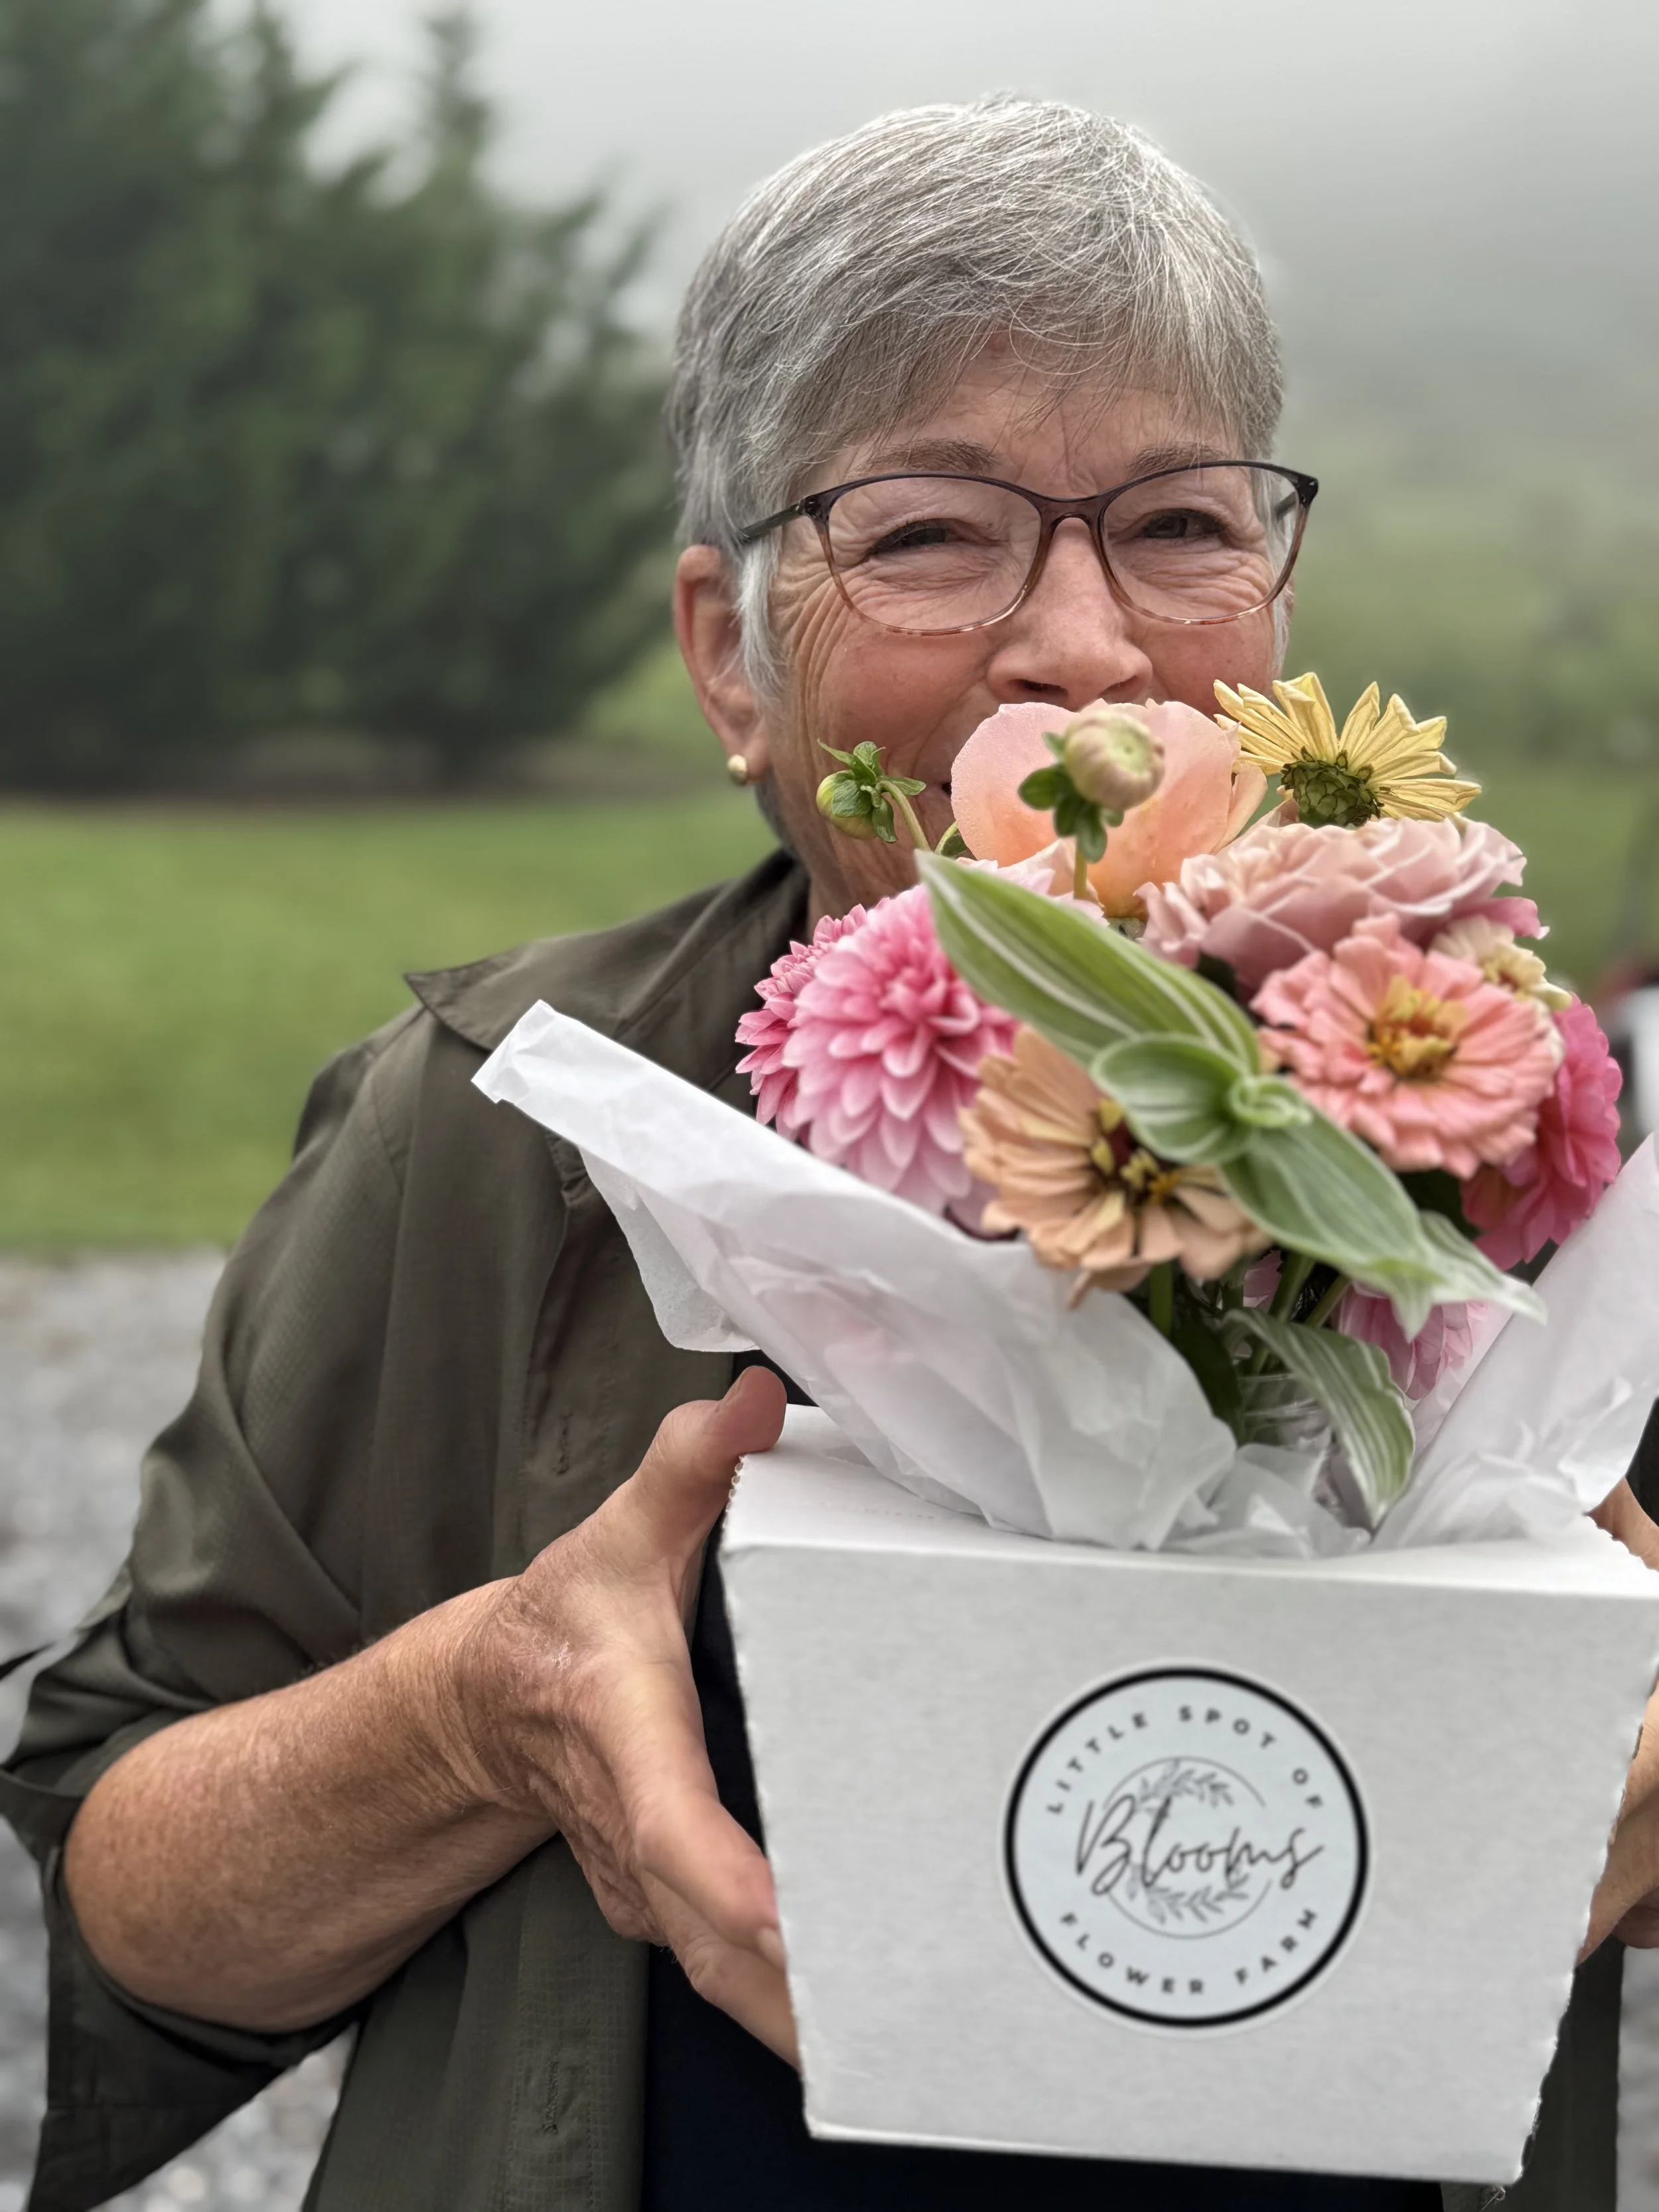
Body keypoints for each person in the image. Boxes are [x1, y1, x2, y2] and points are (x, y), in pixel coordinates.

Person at [3, 97, 1658, 2212]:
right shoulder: (496, 1118)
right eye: (932, 531)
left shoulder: (1490, 1104)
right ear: (730, 654)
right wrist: (477, 1716)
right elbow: (133, 1884)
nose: (1083, 645)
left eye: (1175, 524)